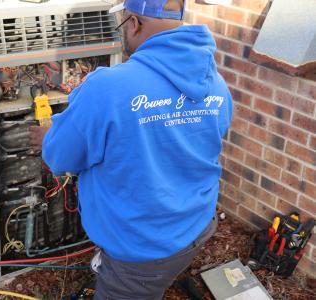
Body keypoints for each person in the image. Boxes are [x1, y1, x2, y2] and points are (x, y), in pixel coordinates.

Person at [29, 0, 233, 298]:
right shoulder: (217, 85)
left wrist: (48, 137)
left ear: (134, 23)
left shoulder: (107, 87)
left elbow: (61, 156)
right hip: (197, 225)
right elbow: (200, 140)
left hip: (143, 251)